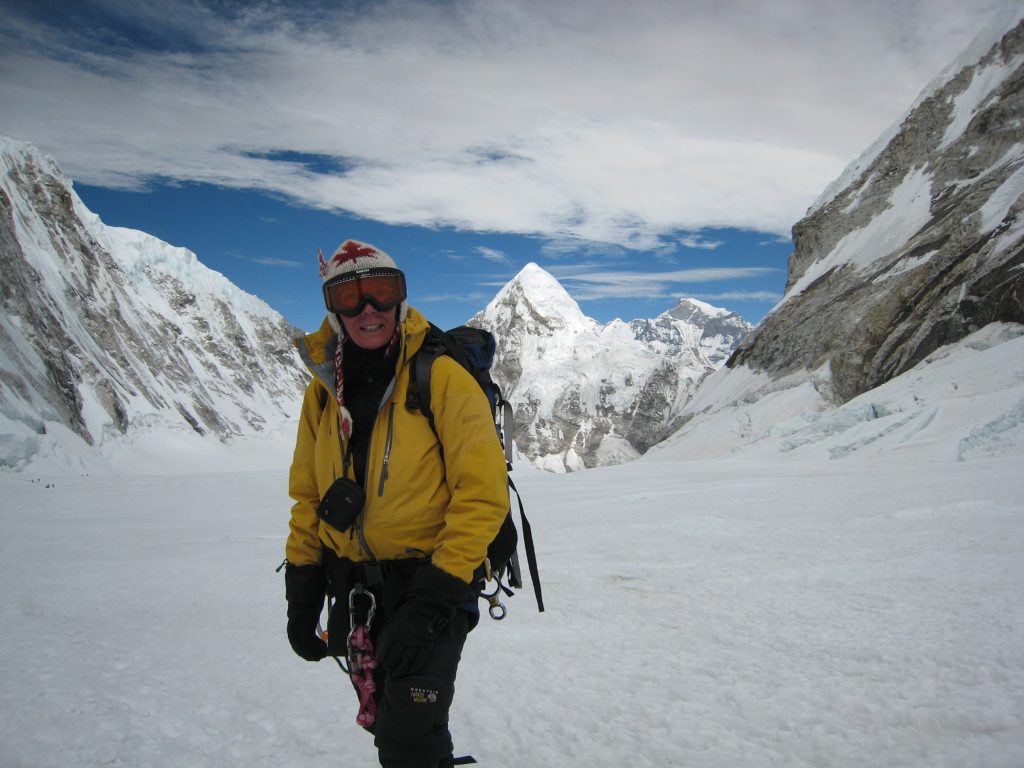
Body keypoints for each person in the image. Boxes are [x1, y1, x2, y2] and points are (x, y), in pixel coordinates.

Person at [283, 239, 509, 768]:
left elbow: (482, 493)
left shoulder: (440, 374)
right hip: (358, 587)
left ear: (401, 297)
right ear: (331, 309)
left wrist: (433, 602)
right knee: (391, 723)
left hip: (431, 583)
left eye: (382, 292)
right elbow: (308, 498)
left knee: (407, 738)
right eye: (349, 297)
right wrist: (302, 591)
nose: (368, 310)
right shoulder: (323, 391)